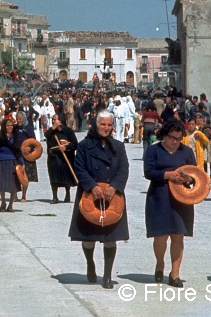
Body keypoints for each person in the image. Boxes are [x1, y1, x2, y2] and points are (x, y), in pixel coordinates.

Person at [68, 110, 130, 289]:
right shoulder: (84, 145)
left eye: (109, 125)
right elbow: (79, 168)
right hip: (90, 195)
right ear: (96, 125)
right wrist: (92, 186)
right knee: (88, 239)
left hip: (113, 196)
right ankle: (90, 264)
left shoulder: (118, 146)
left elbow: (123, 170)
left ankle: (107, 276)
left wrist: (114, 187)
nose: (106, 128)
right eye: (103, 124)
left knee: (111, 239)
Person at [143, 117, 197, 288]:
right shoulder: (153, 151)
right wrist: (167, 175)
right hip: (159, 197)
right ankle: (160, 263)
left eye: (178, 138)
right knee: (160, 236)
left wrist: (187, 178)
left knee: (178, 235)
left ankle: (175, 273)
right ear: (164, 136)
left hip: (182, 199)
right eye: (172, 138)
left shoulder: (187, 152)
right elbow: (148, 172)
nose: (175, 142)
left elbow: (195, 175)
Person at [0, 118, 24, 212]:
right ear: (4, 126)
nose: (10, 127)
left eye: (11, 125)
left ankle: (10, 205)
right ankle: (3, 202)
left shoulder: (16, 137)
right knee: (2, 185)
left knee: (13, 185)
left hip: (13, 162)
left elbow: (18, 152)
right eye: (8, 125)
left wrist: (22, 163)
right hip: (1, 162)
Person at [45, 114, 78, 204]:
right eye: (53, 119)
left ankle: (67, 194)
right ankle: (55, 197)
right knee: (53, 177)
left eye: (55, 119)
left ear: (60, 121)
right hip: (54, 157)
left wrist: (66, 146)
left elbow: (75, 144)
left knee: (66, 176)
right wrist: (53, 127)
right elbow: (46, 135)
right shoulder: (51, 131)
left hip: (65, 157)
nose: (53, 121)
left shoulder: (68, 131)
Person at [14, 111, 38, 202]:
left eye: (20, 119)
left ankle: (24, 195)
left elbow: (34, 141)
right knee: (15, 175)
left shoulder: (28, 128)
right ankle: (15, 195)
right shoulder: (14, 128)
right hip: (16, 154)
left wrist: (30, 148)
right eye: (17, 119)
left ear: (24, 118)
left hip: (26, 155)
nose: (18, 120)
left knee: (25, 176)